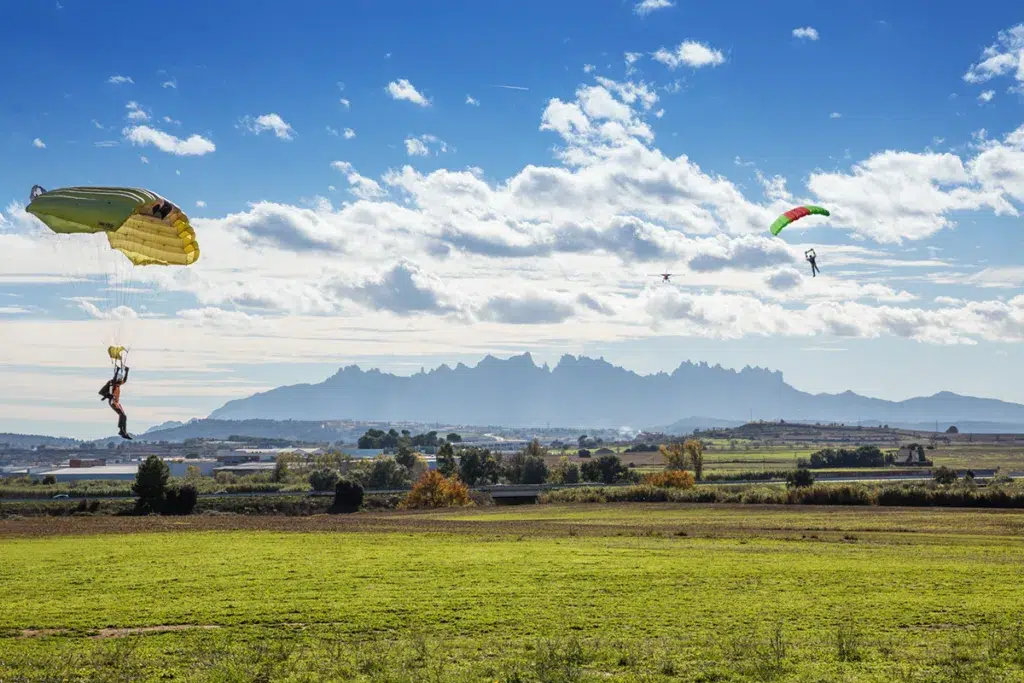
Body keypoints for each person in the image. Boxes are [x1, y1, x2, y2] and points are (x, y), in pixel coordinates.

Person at [98, 364, 131, 439]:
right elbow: (101, 392)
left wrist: (127, 371)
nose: (119, 384)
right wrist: (117, 371)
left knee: (124, 416)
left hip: (117, 402)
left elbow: (124, 380)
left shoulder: (117, 384)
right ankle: (121, 430)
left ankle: (124, 432)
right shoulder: (111, 383)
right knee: (121, 415)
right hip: (112, 401)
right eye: (118, 382)